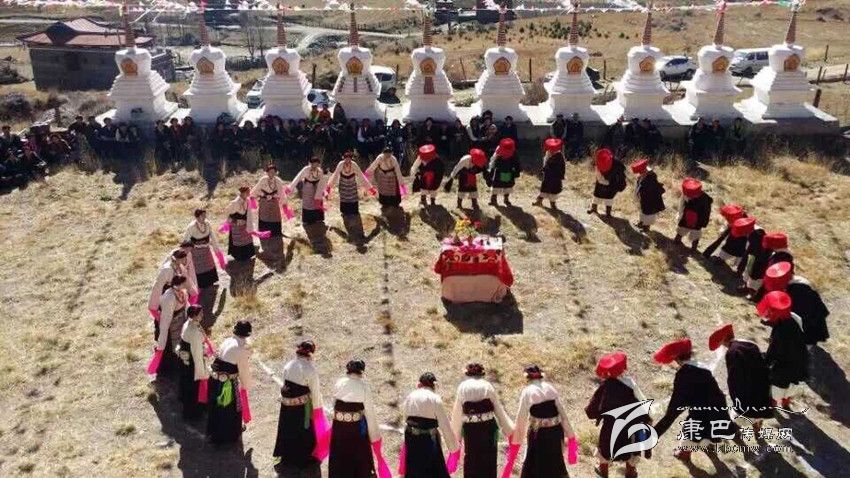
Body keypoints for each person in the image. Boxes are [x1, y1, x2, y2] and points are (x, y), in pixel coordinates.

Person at [653, 338, 732, 463]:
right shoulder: (702, 367)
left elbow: (675, 407)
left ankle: (684, 454)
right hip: (719, 409)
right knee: (711, 429)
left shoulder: (683, 375)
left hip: (701, 414)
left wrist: (657, 431)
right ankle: (710, 446)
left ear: (676, 359)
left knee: (692, 429)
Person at [585, 352, 648, 478]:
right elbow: (643, 405)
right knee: (631, 451)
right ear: (623, 368)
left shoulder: (605, 386)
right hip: (629, 428)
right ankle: (630, 472)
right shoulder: (631, 384)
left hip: (610, 428)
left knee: (605, 451)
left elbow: (591, 411)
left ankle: (603, 472)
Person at [510, 365, 577, 478]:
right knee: (555, 460)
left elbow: (521, 419)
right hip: (555, 431)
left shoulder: (527, 392)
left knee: (537, 462)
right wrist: (571, 436)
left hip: (538, 433)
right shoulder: (550, 388)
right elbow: (563, 415)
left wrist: (516, 441)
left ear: (527, 378)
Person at [449, 364, 513, 478]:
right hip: (488, 427)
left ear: (468, 373)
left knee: (472, 460)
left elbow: (457, 413)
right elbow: (498, 408)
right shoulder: (487, 386)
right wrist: (509, 429)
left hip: (471, 429)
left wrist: (456, 437)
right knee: (489, 460)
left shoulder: (463, 387)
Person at [272, 340, 328, 471]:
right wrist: (317, 409)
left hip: (286, 406)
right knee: (303, 432)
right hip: (302, 409)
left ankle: (287, 455)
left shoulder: (289, 365)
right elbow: (315, 392)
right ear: (310, 354)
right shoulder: (310, 370)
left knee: (287, 428)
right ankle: (302, 458)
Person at [708, 324, 773, 434]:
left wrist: (733, 394)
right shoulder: (750, 344)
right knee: (759, 411)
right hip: (762, 386)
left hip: (746, 391)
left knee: (739, 416)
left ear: (723, 340)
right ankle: (757, 428)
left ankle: (735, 432)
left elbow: (734, 378)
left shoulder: (731, 353)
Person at [328, 360, 384, 478]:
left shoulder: (339, 383)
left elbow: (333, 404)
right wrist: (375, 436)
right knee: (358, 457)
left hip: (339, 426)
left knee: (339, 455)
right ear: (361, 372)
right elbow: (369, 412)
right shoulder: (364, 386)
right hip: (356, 428)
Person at [399, 372, 460, 478]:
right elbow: (444, 425)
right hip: (428, 441)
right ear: (433, 385)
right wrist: (454, 447)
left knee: (413, 470)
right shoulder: (435, 398)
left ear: (420, 384)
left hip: (411, 439)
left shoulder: (410, 396)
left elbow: (406, 419)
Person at [757, 291, 809, 409]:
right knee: (791, 387)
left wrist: (764, 362)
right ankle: (786, 402)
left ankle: (772, 406)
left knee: (776, 391)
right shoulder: (793, 317)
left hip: (785, 367)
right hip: (800, 361)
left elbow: (773, 353)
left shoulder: (780, 333)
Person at [207, 320, 254, 445]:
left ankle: (215, 433)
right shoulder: (240, 350)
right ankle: (227, 436)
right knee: (229, 410)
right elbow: (244, 371)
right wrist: (246, 385)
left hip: (214, 378)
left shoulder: (228, 341)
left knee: (216, 408)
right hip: (227, 384)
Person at [763, 261, 830, 346]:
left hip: (808, 318)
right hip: (805, 314)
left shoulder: (798, 290)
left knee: (804, 340)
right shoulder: (792, 283)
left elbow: (799, 314)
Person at [153, 275, 189, 378]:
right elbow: (165, 320)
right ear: (179, 284)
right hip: (170, 325)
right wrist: (162, 339)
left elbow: (186, 305)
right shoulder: (169, 298)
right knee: (171, 346)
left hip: (181, 320)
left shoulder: (182, 292)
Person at [177, 305, 208, 420]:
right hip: (193, 362)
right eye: (200, 314)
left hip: (186, 359)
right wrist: (201, 373)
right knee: (193, 387)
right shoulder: (194, 331)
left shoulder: (188, 323)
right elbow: (197, 353)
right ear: (194, 316)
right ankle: (193, 413)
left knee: (186, 383)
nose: (202, 315)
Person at [183, 208, 225, 291]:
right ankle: (200, 284)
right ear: (197, 217)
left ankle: (210, 282)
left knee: (209, 266)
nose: (204, 217)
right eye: (202, 216)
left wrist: (217, 251)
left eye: (205, 215)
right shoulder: (191, 227)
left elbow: (213, 237)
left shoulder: (207, 224)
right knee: (199, 269)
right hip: (196, 252)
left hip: (206, 250)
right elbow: (186, 241)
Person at [326, 151, 376, 217]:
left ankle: (353, 211)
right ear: (343, 158)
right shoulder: (341, 164)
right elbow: (335, 175)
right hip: (343, 183)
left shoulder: (354, 164)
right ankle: (345, 211)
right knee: (344, 198)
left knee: (353, 198)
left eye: (349, 158)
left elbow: (361, 176)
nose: (347, 160)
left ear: (351, 158)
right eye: (346, 158)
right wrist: (329, 186)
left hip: (352, 183)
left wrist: (370, 188)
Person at [148, 249, 193, 320]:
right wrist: (154, 306)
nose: (184, 261)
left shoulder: (179, 267)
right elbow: (158, 287)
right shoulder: (166, 270)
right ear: (176, 259)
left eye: (185, 259)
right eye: (182, 259)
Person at [673, 178, 713, 251]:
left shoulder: (687, 196)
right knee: (693, 234)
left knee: (684, 231)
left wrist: (680, 215)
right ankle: (692, 247)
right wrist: (704, 222)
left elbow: (681, 207)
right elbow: (707, 212)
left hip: (691, 220)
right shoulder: (705, 198)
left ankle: (682, 243)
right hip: (695, 221)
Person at [288, 157, 329, 226]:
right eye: (313, 163)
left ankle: (318, 218)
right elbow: (298, 177)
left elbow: (322, 183)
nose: (315, 165)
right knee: (308, 203)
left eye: (317, 164)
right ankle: (307, 220)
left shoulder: (320, 171)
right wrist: (290, 188)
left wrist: (324, 192)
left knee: (318, 201)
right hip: (308, 187)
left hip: (317, 188)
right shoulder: (306, 169)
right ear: (310, 163)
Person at [251, 164, 288, 239]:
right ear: (267, 172)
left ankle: (276, 233)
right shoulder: (263, 179)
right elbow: (256, 189)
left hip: (274, 201)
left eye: (274, 172)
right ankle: (264, 233)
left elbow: (281, 192)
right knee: (264, 217)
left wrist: (284, 202)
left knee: (275, 216)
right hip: (264, 201)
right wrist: (256, 195)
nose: (272, 174)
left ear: (276, 172)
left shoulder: (278, 180)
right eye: (270, 172)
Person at [588, 148, 626, 216]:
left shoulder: (617, 164)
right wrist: (601, 178)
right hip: (601, 179)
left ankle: (608, 213)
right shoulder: (598, 160)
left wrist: (619, 184)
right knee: (597, 193)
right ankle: (594, 208)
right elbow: (595, 170)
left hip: (613, 182)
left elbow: (621, 174)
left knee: (609, 196)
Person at [631, 158, 665, 232]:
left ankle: (646, 228)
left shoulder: (651, 178)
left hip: (650, 201)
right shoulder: (643, 175)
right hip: (643, 199)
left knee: (648, 214)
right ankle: (641, 223)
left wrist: (641, 188)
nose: (639, 174)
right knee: (642, 211)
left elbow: (649, 191)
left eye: (640, 172)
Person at [224, 186, 256, 262]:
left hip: (245, 223)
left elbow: (249, 213)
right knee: (238, 240)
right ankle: (238, 256)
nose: (249, 193)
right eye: (248, 192)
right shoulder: (235, 202)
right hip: (236, 225)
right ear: (243, 193)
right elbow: (227, 212)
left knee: (247, 239)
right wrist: (235, 220)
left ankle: (247, 255)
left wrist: (248, 223)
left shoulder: (247, 200)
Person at [486, 138, 521, 207]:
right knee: (496, 185)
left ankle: (506, 199)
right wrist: (491, 170)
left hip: (508, 171)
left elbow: (517, 163)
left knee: (507, 185)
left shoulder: (514, 152)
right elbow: (493, 160)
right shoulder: (498, 150)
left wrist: (517, 171)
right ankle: (493, 200)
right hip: (499, 171)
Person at [534, 138, 566, 209]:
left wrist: (561, 175)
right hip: (548, 176)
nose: (551, 150)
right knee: (544, 189)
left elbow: (562, 166)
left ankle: (553, 204)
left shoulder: (559, 156)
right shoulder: (548, 154)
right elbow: (545, 164)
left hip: (555, 177)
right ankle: (539, 201)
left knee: (553, 191)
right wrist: (543, 170)